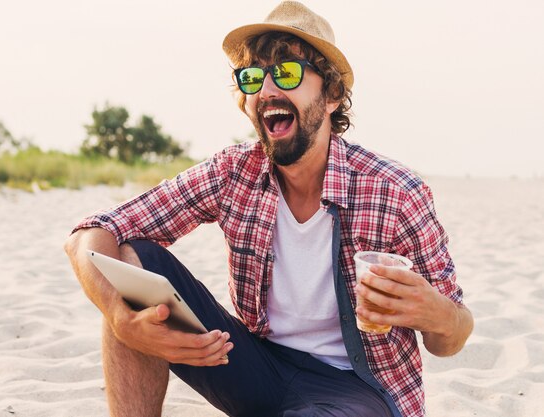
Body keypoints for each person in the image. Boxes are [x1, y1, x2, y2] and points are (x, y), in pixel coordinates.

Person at [64, 2, 473, 416]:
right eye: (253, 77)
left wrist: (434, 312)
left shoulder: (395, 191)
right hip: (256, 366)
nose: (268, 89)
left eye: (288, 73)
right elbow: (91, 233)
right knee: (132, 267)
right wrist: (119, 316)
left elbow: (452, 337)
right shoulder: (233, 172)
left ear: (331, 95)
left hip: (357, 389)